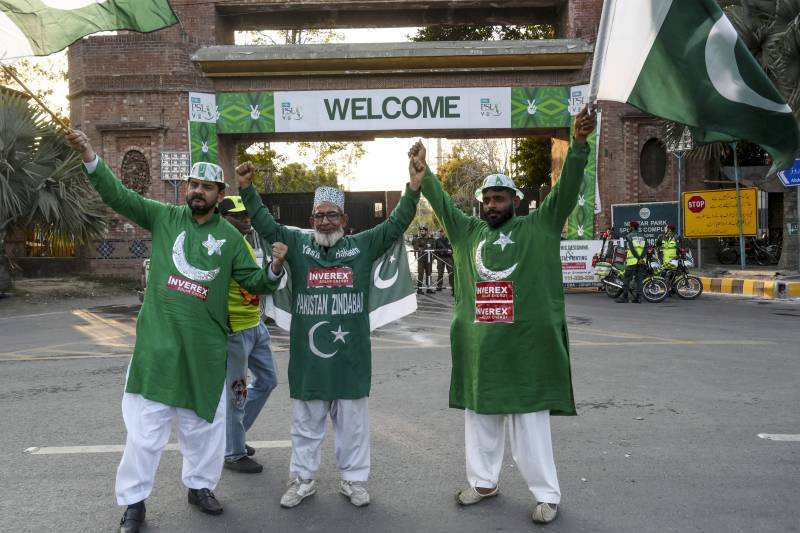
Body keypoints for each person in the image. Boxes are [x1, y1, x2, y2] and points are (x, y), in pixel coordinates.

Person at [64, 130, 286, 533]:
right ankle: (134, 503)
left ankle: (199, 487)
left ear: (220, 193)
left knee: (205, 427)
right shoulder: (163, 217)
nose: (198, 191)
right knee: (144, 433)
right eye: (193, 184)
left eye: (207, 186)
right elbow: (118, 196)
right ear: (186, 188)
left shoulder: (231, 238)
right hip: (159, 351)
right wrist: (91, 155)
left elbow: (254, 282)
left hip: (204, 353)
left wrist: (273, 268)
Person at [407, 105, 597, 525]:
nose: (492, 204)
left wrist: (579, 143)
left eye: (500, 198)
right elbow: (439, 201)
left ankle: (545, 495)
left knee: (530, 426)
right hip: (482, 348)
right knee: (481, 419)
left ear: (516, 200)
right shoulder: (467, 232)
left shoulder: (539, 226)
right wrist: (424, 173)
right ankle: (483, 482)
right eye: (487, 199)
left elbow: (566, 189)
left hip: (526, 347)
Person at [236, 161, 421, 509]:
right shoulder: (296, 244)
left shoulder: (363, 246)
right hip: (309, 360)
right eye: (319, 216)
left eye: (332, 215)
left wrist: (412, 188)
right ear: (311, 222)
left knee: (353, 427)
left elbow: (396, 225)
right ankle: (303, 480)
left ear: (344, 220)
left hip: (351, 359)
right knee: (305, 426)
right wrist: (247, 188)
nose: (325, 221)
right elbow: (264, 222)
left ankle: (353, 481)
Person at [218, 196, 284, 474]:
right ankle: (233, 452)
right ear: (223, 218)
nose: (245, 219)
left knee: (268, 380)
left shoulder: (244, 241)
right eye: (237, 215)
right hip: (235, 330)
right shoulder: (219, 246)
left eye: (246, 214)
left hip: (254, 324)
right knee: (237, 393)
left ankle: (234, 437)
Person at [617, 220, 646, 304]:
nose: (628, 228)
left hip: (632, 261)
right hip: (641, 262)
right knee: (639, 280)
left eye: (629, 227)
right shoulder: (643, 236)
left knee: (626, 278)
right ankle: (638, 298)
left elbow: (632, 248)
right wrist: (641, 258)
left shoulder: (629, 236)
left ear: (632, 227)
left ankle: (625, 297)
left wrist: (637, 257)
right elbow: (645, 248)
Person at [412, 227, 436, 293]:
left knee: (429, 274)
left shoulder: (431, 240)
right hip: (421, 259)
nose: (421, 232)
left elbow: (434, 248)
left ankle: (429, 288)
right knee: (420, 274)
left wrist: (433, 257)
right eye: (421, 231)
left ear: (426, 231)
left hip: (429, 259)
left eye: (423, 231)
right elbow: (415, 246)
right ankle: (419, 289)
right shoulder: (418, 239)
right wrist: (420, 248)